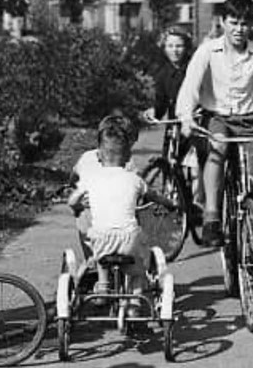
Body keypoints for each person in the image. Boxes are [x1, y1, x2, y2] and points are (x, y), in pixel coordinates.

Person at [176, 0, 253, 247]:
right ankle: (212, 217)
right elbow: (190, 86)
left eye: (245, 23)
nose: (239, 29)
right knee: (218, 147)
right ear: (223, 22)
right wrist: (186, 117)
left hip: (252, 121)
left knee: (251, 185)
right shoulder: (207, 51)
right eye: (233, 22)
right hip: (219, 117)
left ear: (252, 25)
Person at [67, 124, 176, 313]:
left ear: (99, 156)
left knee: (100, 256)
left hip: (100, 237)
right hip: (128, 238)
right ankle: (135, 302)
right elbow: (153, 196)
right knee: (137, 269)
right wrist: (169, 204)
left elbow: (72, 200)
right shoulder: (134, 179)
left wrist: (77, 207)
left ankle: (103, 286)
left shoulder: (91, 178)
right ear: (127, 157)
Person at [142, 26, 207, 219]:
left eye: (179, 46)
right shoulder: (163, 74)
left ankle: (197, 204)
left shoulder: (194, 69)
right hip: (174, 126)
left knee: (196, 167)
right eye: (170, 46)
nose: (175, 50)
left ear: (186, 48)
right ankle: (174, 200)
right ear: (164, 48)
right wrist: (154, 112)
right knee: (171, 163)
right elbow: (161, 102)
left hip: (194, 123)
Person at [69, 113, 140, 262]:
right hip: (119, 224)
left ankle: (90, 265)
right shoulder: (128, 164)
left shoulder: (86, 157)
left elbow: (74, 177)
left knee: (92, 254)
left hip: (89, 221)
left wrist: (73, 187)